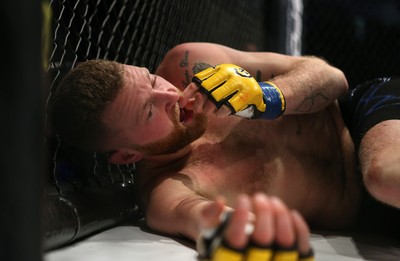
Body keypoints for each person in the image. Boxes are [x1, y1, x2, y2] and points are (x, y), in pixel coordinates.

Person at [49, 42, 400, 260]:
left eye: (152, 80)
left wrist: (271, 95)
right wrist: (240, 232)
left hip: (364, 116)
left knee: (384, 175)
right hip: (375, 216)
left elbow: (332, 77)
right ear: (128, 156)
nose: (171, 94)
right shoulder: (166, 192)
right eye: (149, 110)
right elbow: (205, 219)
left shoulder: (191, 64)